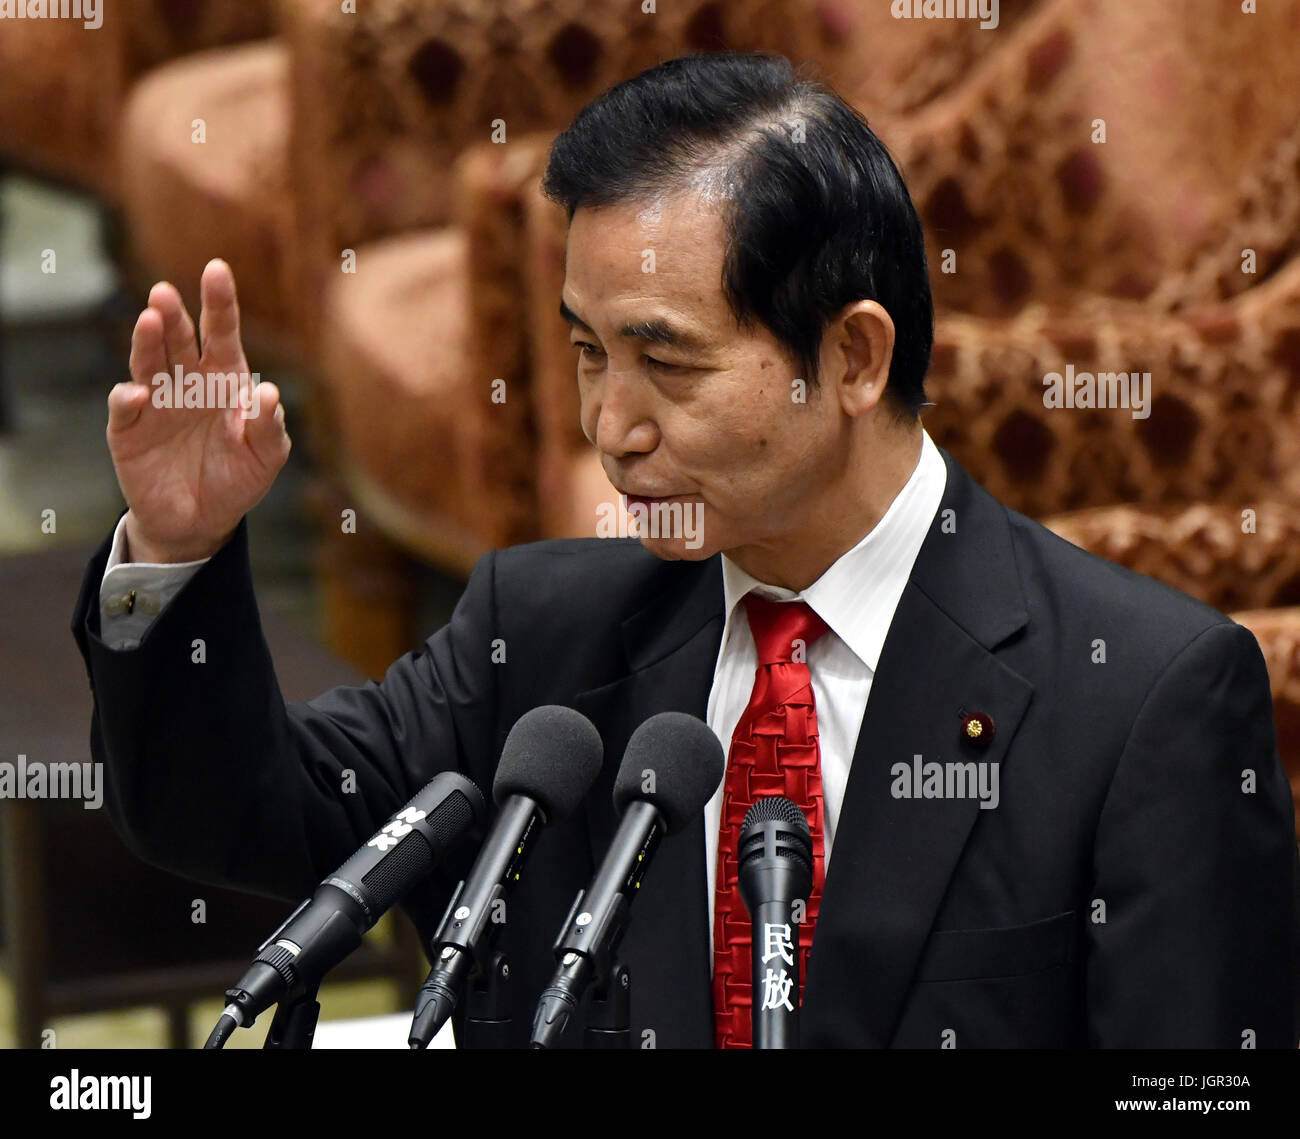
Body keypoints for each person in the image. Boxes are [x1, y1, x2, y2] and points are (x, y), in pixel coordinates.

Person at [73, 52, 1298, 1048]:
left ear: (856, 359)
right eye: (589, 353)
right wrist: (178, 549)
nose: (612, 427)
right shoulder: (543, 639)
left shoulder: (1141, 699)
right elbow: (236, 815)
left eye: (667, 362)